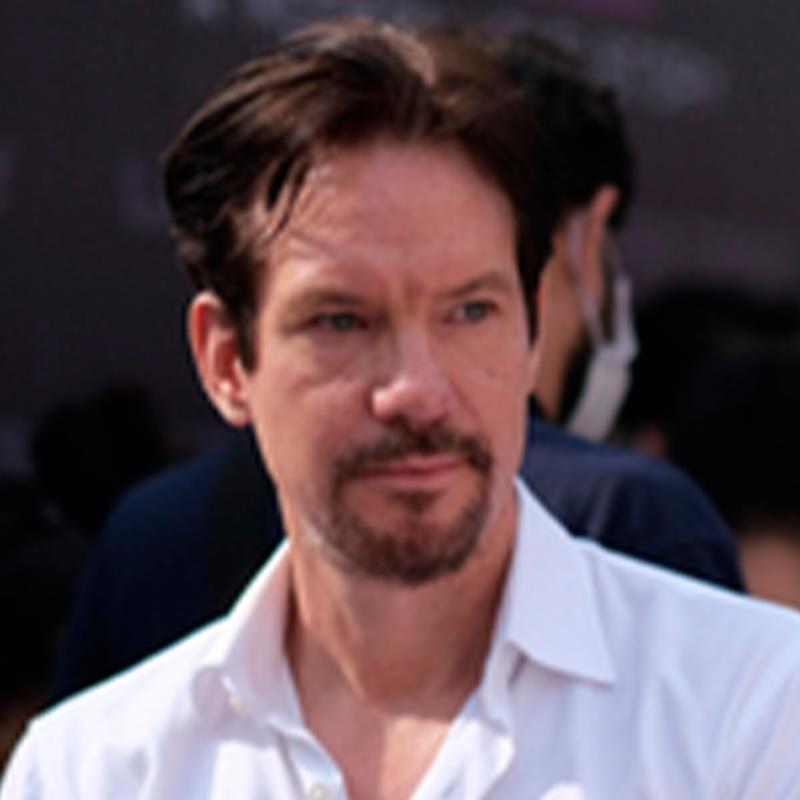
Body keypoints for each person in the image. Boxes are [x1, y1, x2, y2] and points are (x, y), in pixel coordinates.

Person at [5, 18, 799, 798]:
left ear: (531, 329)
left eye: (470, 312)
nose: (417, 389)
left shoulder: (748, 707)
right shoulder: (94, 770)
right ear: (225, 361)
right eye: (341, 321)